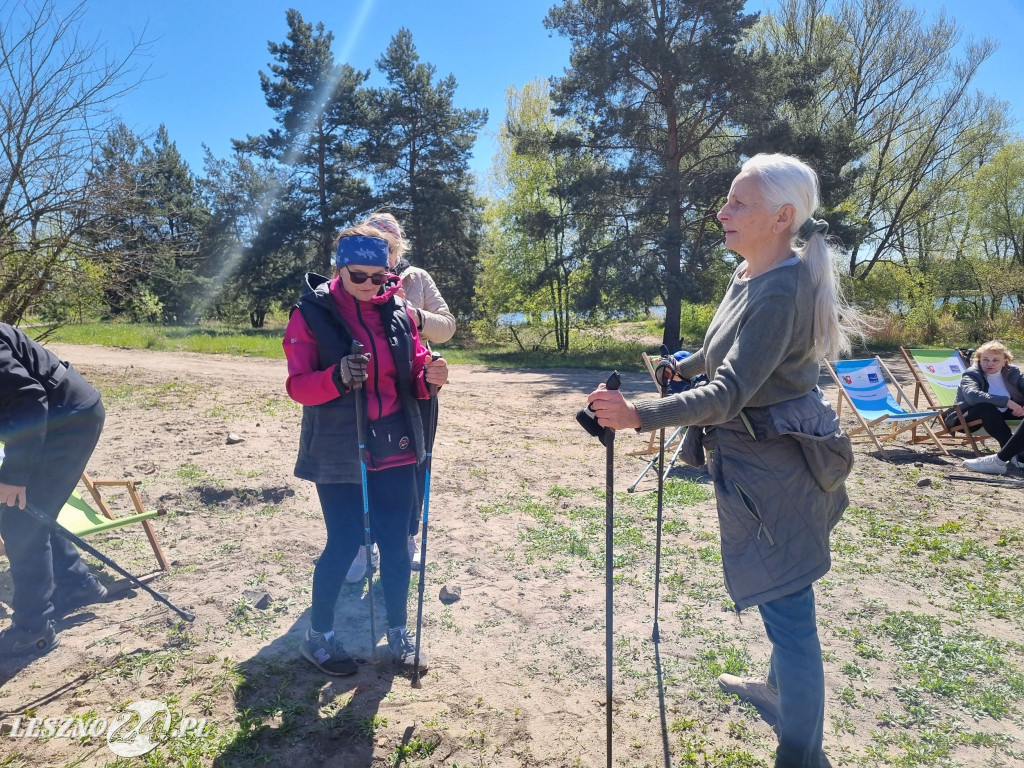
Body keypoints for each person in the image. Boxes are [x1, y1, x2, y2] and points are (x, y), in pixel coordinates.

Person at [588, 154, 859, 768]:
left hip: (778, 463)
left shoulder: (783, 287)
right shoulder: (750, 272)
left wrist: (639, 414)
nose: (723, 211)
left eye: (739, 203)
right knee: (783, 590)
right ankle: (773, 691)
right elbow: (722, 354)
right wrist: (682, 365)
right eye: (727, 200)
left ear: (782, 217)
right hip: (759, 456)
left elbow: (731, 390)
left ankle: (803, 757)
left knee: (790, 611)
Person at [284, 225, 448, 676]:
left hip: (394, 440)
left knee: (396, 544)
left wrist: (428, 375)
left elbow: (412, 369)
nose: (374, 286)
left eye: (383, 277)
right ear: (340, 269)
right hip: (339, 446)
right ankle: (317, 636)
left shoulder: (397, 309)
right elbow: (298, 387)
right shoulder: (311, 314)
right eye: (362, 277)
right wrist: (336, 376)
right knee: (345, 542)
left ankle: (398, 632)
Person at [354, 211, 456, 576]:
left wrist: (413, 316)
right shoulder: (354, 275)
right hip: (366, 388)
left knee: (416, 463)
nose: (383, 253)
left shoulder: (417, 279)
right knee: (362, 465)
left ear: (399, 249)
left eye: (389, 247)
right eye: (375, 244)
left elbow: (447, 327)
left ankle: (406, 538)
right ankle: (363, 547)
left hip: (417, 387)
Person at [0, 323, 108, 657]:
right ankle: (77, 585)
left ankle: (34, 630)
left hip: (66, 419)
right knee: (36, 510)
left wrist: (15, 473)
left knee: (20, 520)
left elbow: (30, 399)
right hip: (58, 416)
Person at [949, 341, 1024, 474]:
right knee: (986, 406)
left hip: (1001, 415)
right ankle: (1015, 454)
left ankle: (1016, 455)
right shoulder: (971, 374)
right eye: (985, 359)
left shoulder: (1013, 373)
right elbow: (972, 396)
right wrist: (1007, 402)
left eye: (996, 360)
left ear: (1005, 361)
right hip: (966, 418)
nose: (990, 363)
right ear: (979, 360)